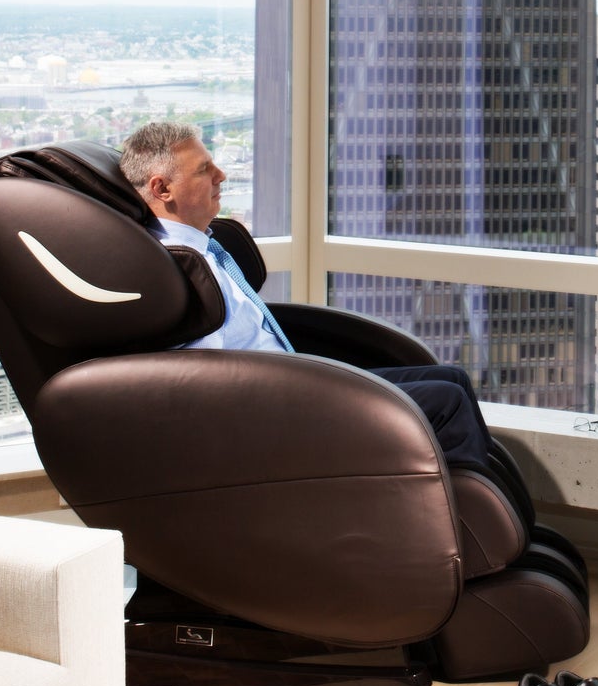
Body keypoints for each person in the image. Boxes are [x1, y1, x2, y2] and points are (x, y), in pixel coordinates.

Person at [119, 120, 492, 470]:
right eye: (204, 170)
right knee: (446, 401)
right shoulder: (173, 272)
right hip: (275, 407)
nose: (221, 175)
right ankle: (469, 511)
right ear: (162, 189)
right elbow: (204, 377)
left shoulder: (204, 250)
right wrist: (305, 386)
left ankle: (491, 498)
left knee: (453, 379)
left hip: (293, 382)